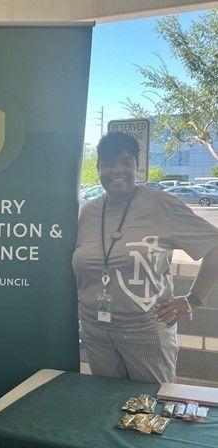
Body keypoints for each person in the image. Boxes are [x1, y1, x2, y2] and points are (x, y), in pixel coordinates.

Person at [72, 132, 218, 383]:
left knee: (151, 412)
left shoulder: (161, 205)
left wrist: (193, 299)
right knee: (105, 411)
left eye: (126, 162)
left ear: (136, 167)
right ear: (98, 168)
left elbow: (214, 244)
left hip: (145, 334)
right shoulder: (88, 212)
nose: (117, 170)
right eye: (108, 163)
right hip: (96, 333)